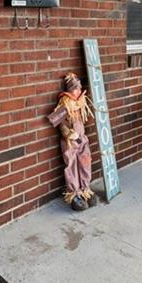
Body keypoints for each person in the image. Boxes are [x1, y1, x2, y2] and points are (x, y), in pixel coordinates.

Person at [47, 72, 98, 210]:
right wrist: (67, 133)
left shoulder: (80, 102)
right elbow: (59, 121)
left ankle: (85, 189)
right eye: (75, 88)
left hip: (82, 138)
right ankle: (74, 193)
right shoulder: (65, 102)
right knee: (72, 165)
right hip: (70, 141)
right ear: (70, 89)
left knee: (85, 161)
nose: (78, 91)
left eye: (79, 88)